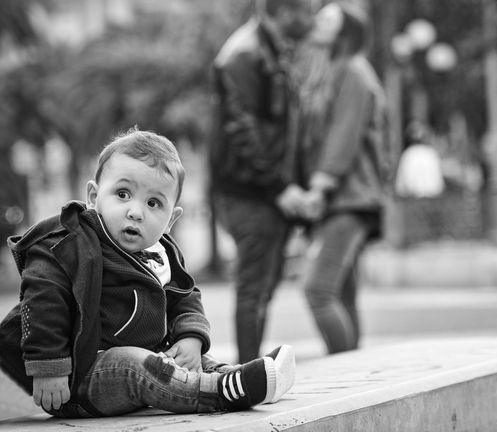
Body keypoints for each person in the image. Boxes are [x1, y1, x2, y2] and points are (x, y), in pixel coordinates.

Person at [0, 128, 295, 418]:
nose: (136, 211)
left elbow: (186, 296)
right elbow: (42, 300)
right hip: (79, 379)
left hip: (151, 363)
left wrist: (191, 338)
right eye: (123, 194)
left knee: (190, 360)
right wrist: (48, 367)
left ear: (170, 220)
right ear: (93, 196)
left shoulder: (162, 252)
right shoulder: (70, 243)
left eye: (153, 203)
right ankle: (219, 392)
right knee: (135, 363)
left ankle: (238, 378)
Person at [209, 0, 321, 362]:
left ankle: (248, 371)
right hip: (249, 193)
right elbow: (243, 131)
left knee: (264, 286)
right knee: (254, 287)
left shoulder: (270, 51)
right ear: (286, 11)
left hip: (266, 192)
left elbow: (280, 134)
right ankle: (244, 378)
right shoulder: (245, 54)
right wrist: (279, 187)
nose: (314, 19)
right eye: (309, 10)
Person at [300, 3, 390, 354]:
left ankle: (341, 366)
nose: (316, 20)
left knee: (318, 291)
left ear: (345, 32)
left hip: (349, 197)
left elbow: (344, 134)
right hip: (343, 197)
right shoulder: (332, 68)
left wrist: (320, 185)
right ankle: (354, 370)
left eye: (327, 19)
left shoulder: (353, 71)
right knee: (342, 292)